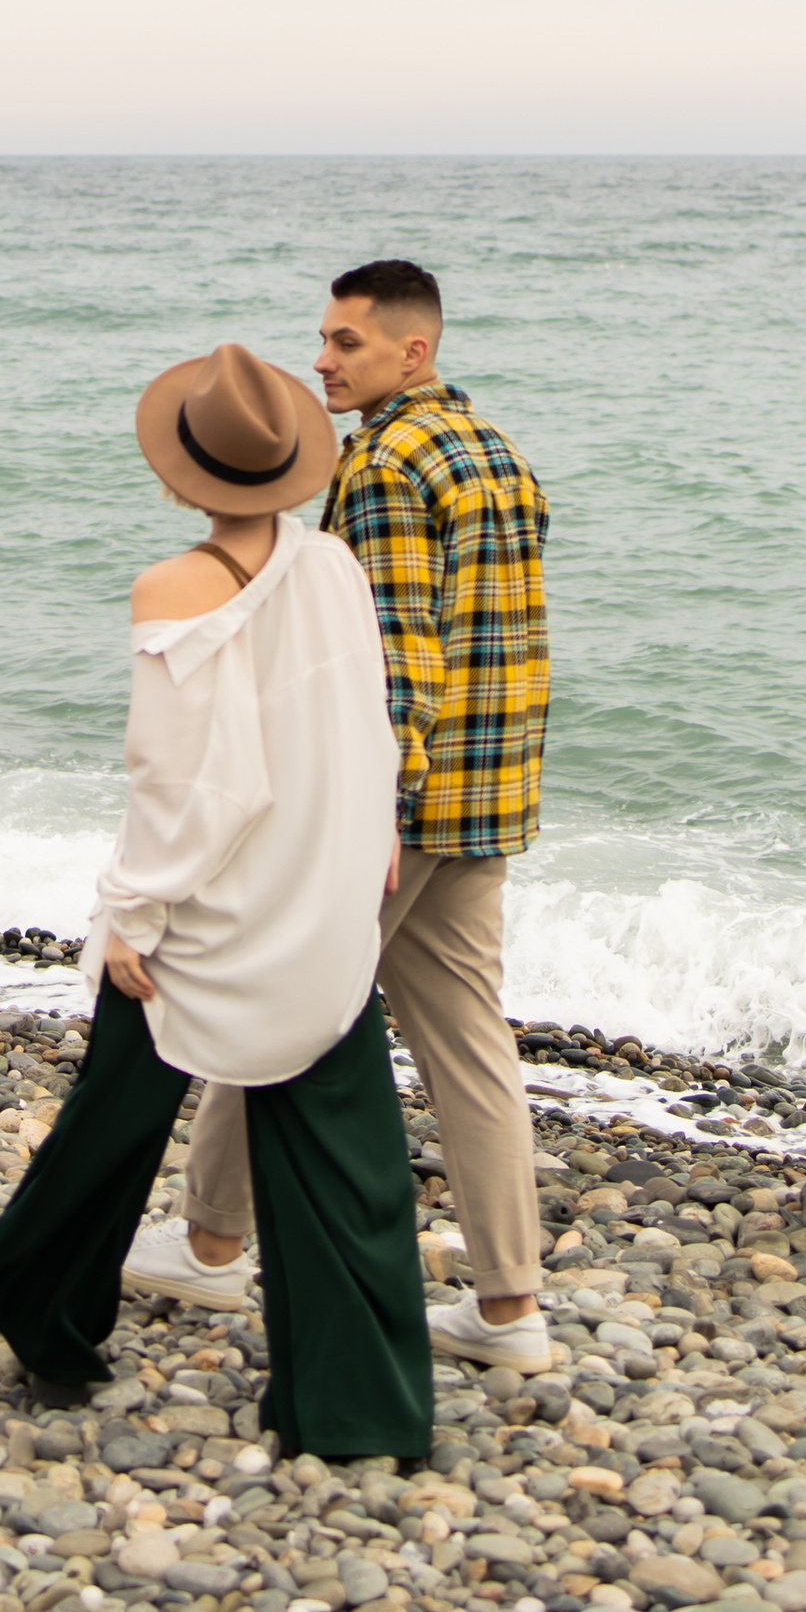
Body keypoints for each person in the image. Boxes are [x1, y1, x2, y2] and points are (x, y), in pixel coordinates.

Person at [0, 341, 434, 1463]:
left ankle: (50, 1327)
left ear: (178, 475)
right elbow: (370, 728)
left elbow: (190, 785)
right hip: (315, 894)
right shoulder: (333, 568)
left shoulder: (171, 589)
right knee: (345, 1161)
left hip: (203, 910)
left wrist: (133, 913)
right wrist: (375, 842)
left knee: (109, 1130)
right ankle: (362, 1412)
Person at [126, 258, 555, 1374]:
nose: (320, 359)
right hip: (492, 796)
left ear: (412, 351)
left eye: (345, 343)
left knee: (275, 988)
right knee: (469, 1045)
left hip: (407, 813)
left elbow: (403, 656)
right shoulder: (493, 449)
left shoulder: (386, 465)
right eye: (320, 339)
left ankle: (215, 1241)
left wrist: (371, 821)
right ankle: (511, 1307)